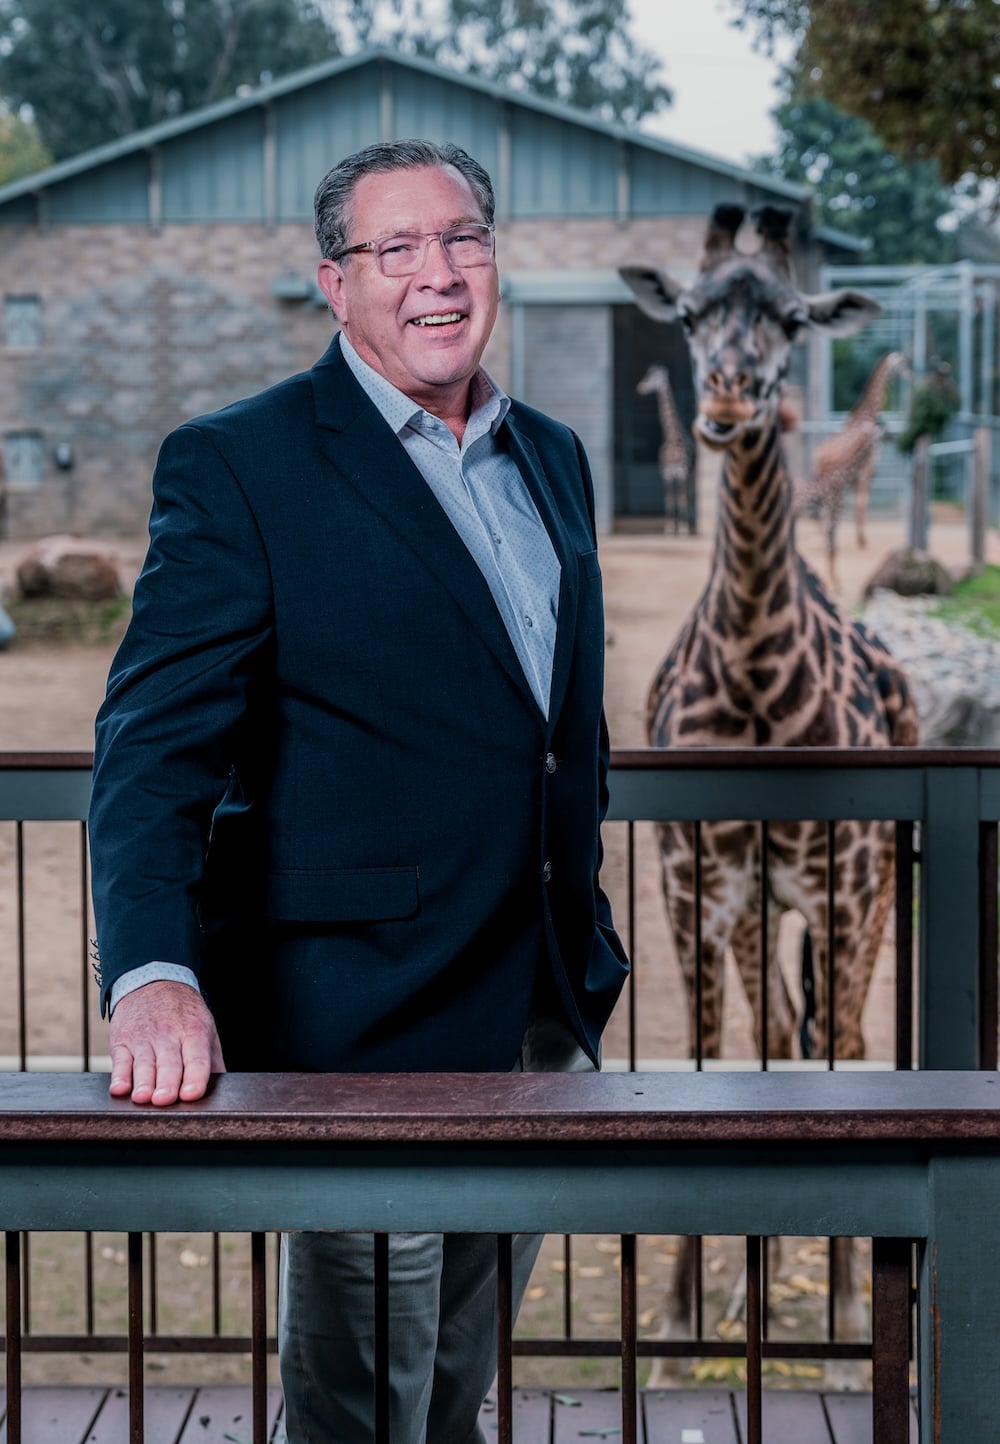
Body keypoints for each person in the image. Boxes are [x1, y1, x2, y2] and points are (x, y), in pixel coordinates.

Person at [88, 137, 629, 1443]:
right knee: (354, 1403)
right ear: (335, 283)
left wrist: (579, 956)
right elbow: (151, 746)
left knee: (449, 1388)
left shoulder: (552, 455)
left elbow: (545, 726)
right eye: (397, 249)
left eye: (464, 240)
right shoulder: (242, 465)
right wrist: (152, 971)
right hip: (359, 1021)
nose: (437, 275)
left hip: (538, 1009)